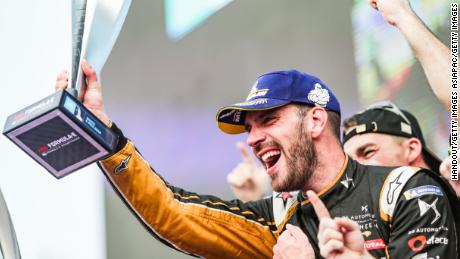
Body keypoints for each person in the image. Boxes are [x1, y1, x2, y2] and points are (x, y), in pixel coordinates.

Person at [56, 62, 458, 258]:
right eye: (248, 128)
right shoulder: (278, 220)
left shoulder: (407, 190)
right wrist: (99, 131)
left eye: (268, 119)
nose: (254, 138)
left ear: (315, 119)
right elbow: (171, 213)